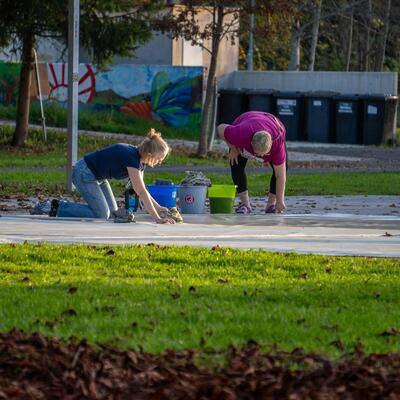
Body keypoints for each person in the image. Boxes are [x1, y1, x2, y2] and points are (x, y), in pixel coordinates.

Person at [31, 129, 176, 224]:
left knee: (113, 213)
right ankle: (52, 207)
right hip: (84, 173)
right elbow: (141, 192)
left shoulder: (139, 161)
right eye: (159, 159)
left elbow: (142, 190)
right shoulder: (131, 158)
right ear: (149, 154)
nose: (159, 162)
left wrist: (159, 208)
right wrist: (157, 218)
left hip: (98, 178)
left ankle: (56, 207)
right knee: (101, 214)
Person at [217, 111, 287, 214]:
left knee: (282, 169)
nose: (259, 157)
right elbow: (220, 128)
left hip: (273, 124)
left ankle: (271, 204)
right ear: (250, 143)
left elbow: (280, 176)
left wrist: (280, 201)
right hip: (247, 120)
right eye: (257, 153)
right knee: (235, 161)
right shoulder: (241, 134)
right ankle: (245, 204)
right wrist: (233, 148)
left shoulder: (277, 144)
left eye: (263, 154)